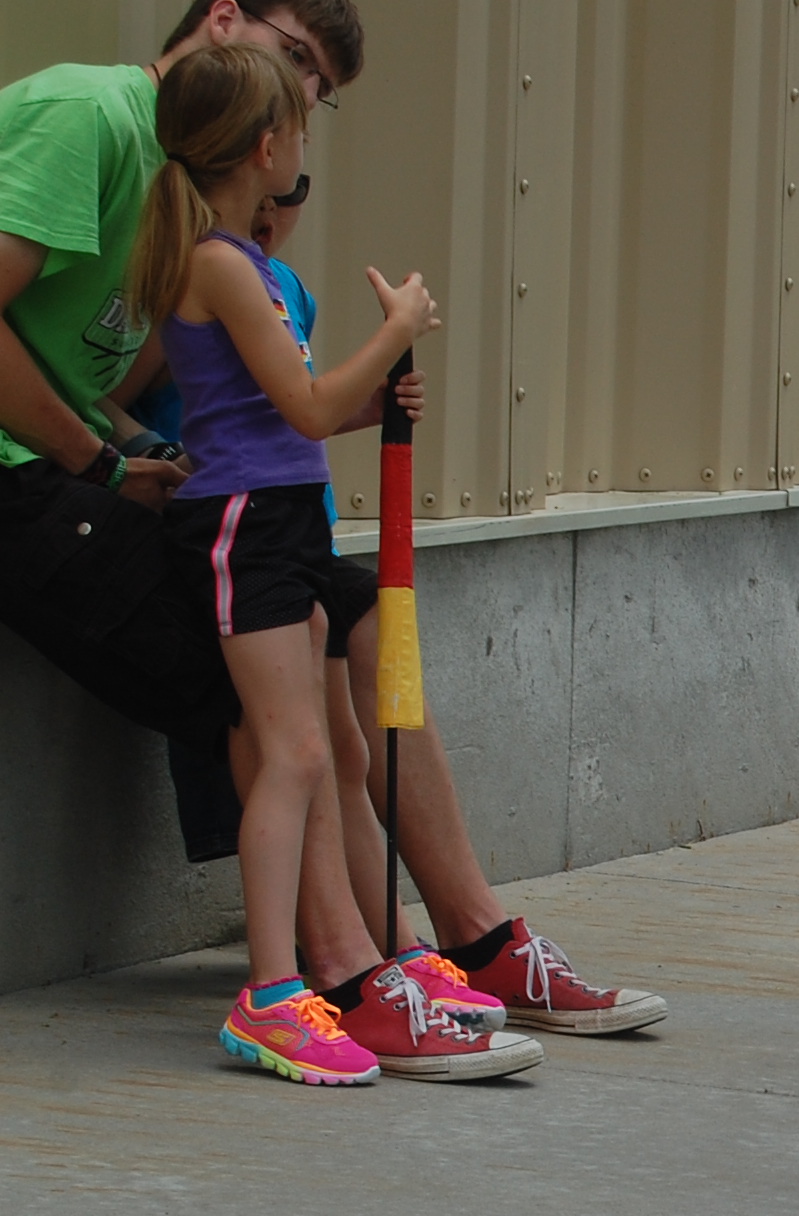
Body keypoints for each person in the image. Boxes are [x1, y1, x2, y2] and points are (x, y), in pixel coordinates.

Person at [0, 0, 667, 1041]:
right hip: (23, 479)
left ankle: (465, 935)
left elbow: (121, 380)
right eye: (298, 65)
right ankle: (337, 973)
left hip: (101, 473)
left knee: (358, 629)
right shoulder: (91, 114)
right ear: (223, 21)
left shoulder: (192, 217)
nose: (304, 101)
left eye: (318, 93)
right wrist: (98, 457)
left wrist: (132, 449)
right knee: (262, 688)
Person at [136, 43, 538, 1083]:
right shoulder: (218, 262)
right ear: (266, 145)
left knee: (330, 749)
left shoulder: (252, 265)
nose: (304, 146)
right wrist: (393, 328)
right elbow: (302, 407)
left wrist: (372, 404)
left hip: (284, 518)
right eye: (301, 128)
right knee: (296, 756)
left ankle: (336, 974)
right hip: (244, 526)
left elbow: (296, 417)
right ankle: (272, 993)